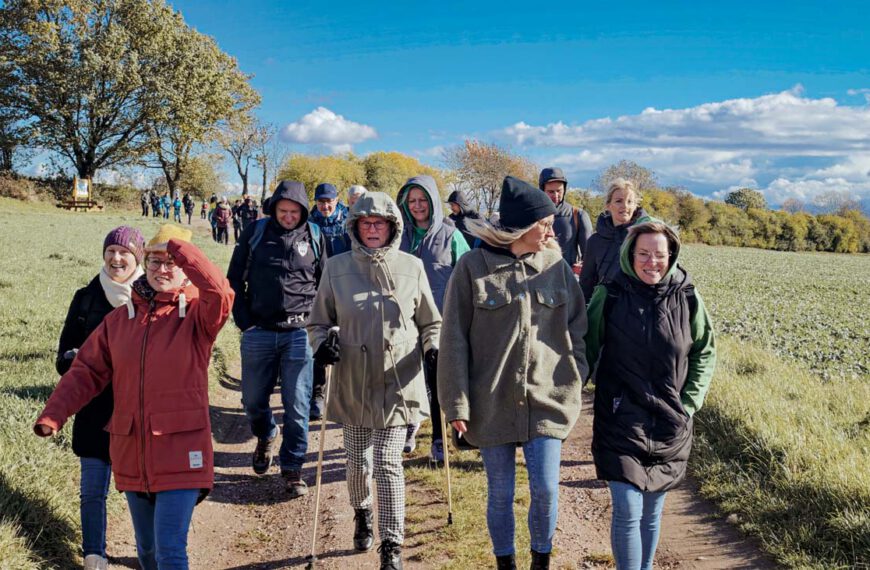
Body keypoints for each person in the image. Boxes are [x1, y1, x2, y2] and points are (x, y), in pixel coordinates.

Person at [35, 224, 234, 570]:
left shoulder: (198, 315)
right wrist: (54, 414)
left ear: (185, 266)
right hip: (132, 453)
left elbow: (221, 291)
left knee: (171, 550)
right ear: (145, 264)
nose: (163, 270)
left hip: (181, 451)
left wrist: (180, 247)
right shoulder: (119, 321)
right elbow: (85, 372)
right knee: (149, 553)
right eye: (155, 261)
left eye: (172, 262)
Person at [438, 176, 589, 570]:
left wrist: (576, 373)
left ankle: (542, 561)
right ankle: (506, 563)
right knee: (500, 492)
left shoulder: (555, 266)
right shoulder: (472, 267)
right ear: (523, 227)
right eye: (545, 224)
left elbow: (578, 327)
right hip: (490, 401)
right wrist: (456, 402)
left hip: (547, 398)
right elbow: (452, 337)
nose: (552, 231)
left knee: (545, 489)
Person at [308, 191, 441, 570]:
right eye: (364, 223)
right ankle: (362, 511)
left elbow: (431, 321)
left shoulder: (412, 266)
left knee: (386, 462)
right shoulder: (336, 267)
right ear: (354, 226)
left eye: (379, 223)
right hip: (352, 379)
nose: (371, 229)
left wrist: (432, 348)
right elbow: (318, 321)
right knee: (356, 464)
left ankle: (392, 545)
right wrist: (322, 343)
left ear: (392, 227)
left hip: (398, 379)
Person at [584, 218, 716, 570]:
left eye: (659, 254)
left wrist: (689, 403)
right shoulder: (609, 294)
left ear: (671, 255)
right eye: (643, 253)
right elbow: (585, 348)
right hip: (620, 417)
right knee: (627, 508)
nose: (651, 262)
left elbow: (704, 351)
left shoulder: (688, 297)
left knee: (652, 512)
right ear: (630, 253)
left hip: (669, 421)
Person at [226, 180, 327, 497]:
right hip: (259, 331)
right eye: (282, 211)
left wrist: (326, 328)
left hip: (300, 333)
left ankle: (293, 469)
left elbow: (326, 285)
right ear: (274, 209)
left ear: (302, 211)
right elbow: (232, 280)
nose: (288, 216)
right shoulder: (255, 233)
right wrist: (245, 323)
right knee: (253, 402)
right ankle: (266, 432)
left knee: (297, 406)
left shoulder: (315, 236)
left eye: (294, 211)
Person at [52, 226, 144, 570]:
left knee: (140, 490)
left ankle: (148, 551)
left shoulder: (149, 299)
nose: (117, 259)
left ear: (138, 257)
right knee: (92, 490)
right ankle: (94, 554)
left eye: (125, 253)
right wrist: (77, 358)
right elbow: (62, 358)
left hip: (136, 411)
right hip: (93, 410)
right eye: (111, 252)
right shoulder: (85, 298)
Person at [396, 175, 469, 461]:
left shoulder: (452, 236)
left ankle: (439, 438)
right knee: (405, 379)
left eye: (422, 200)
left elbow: (467, 277)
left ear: (433, 202)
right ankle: (410, 424)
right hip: (402, 321)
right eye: (412, 200)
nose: (417, 206)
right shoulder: (398, 236)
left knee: (437, 382)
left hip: (439, 322)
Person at [579, 178, 646, 302]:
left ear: (636, 205)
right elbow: (586, 283)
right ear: (608, 205)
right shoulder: (595, 241)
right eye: (619, 201)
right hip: (603, 311)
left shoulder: (644, 238)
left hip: (636, 310)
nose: (625, 206)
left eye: (630, 201)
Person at [538, 167, 592, 277]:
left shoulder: (578, 215)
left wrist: (582, 267)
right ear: (542, 190)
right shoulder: (533, 216)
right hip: (538, 279)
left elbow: (589, 256)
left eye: (559, 191)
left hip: (567, 280)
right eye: (551, 192)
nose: (556, 195)